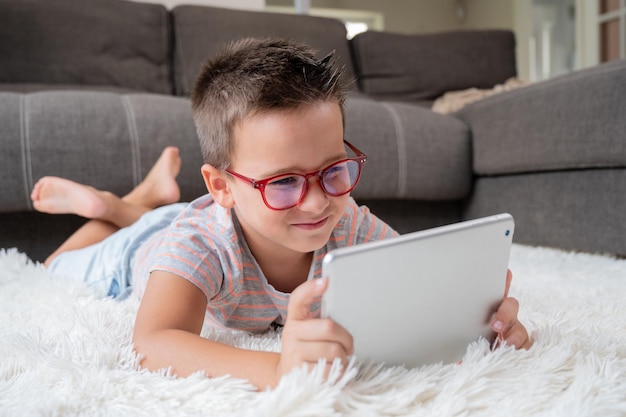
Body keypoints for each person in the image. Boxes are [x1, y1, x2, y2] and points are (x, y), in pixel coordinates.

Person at [31, 38, 532, 390]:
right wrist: (276, 372)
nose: (318, 202)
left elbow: (418, 279)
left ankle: (143, 199)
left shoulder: (346, 219)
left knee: (161, 214)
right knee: (56, 264)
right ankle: (114, 209)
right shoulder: (198, 244)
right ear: (221, 187)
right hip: (140, 249)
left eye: (333, 170)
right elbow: (154, 342)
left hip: (204, 209)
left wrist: (481, 320)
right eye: (285, 182)